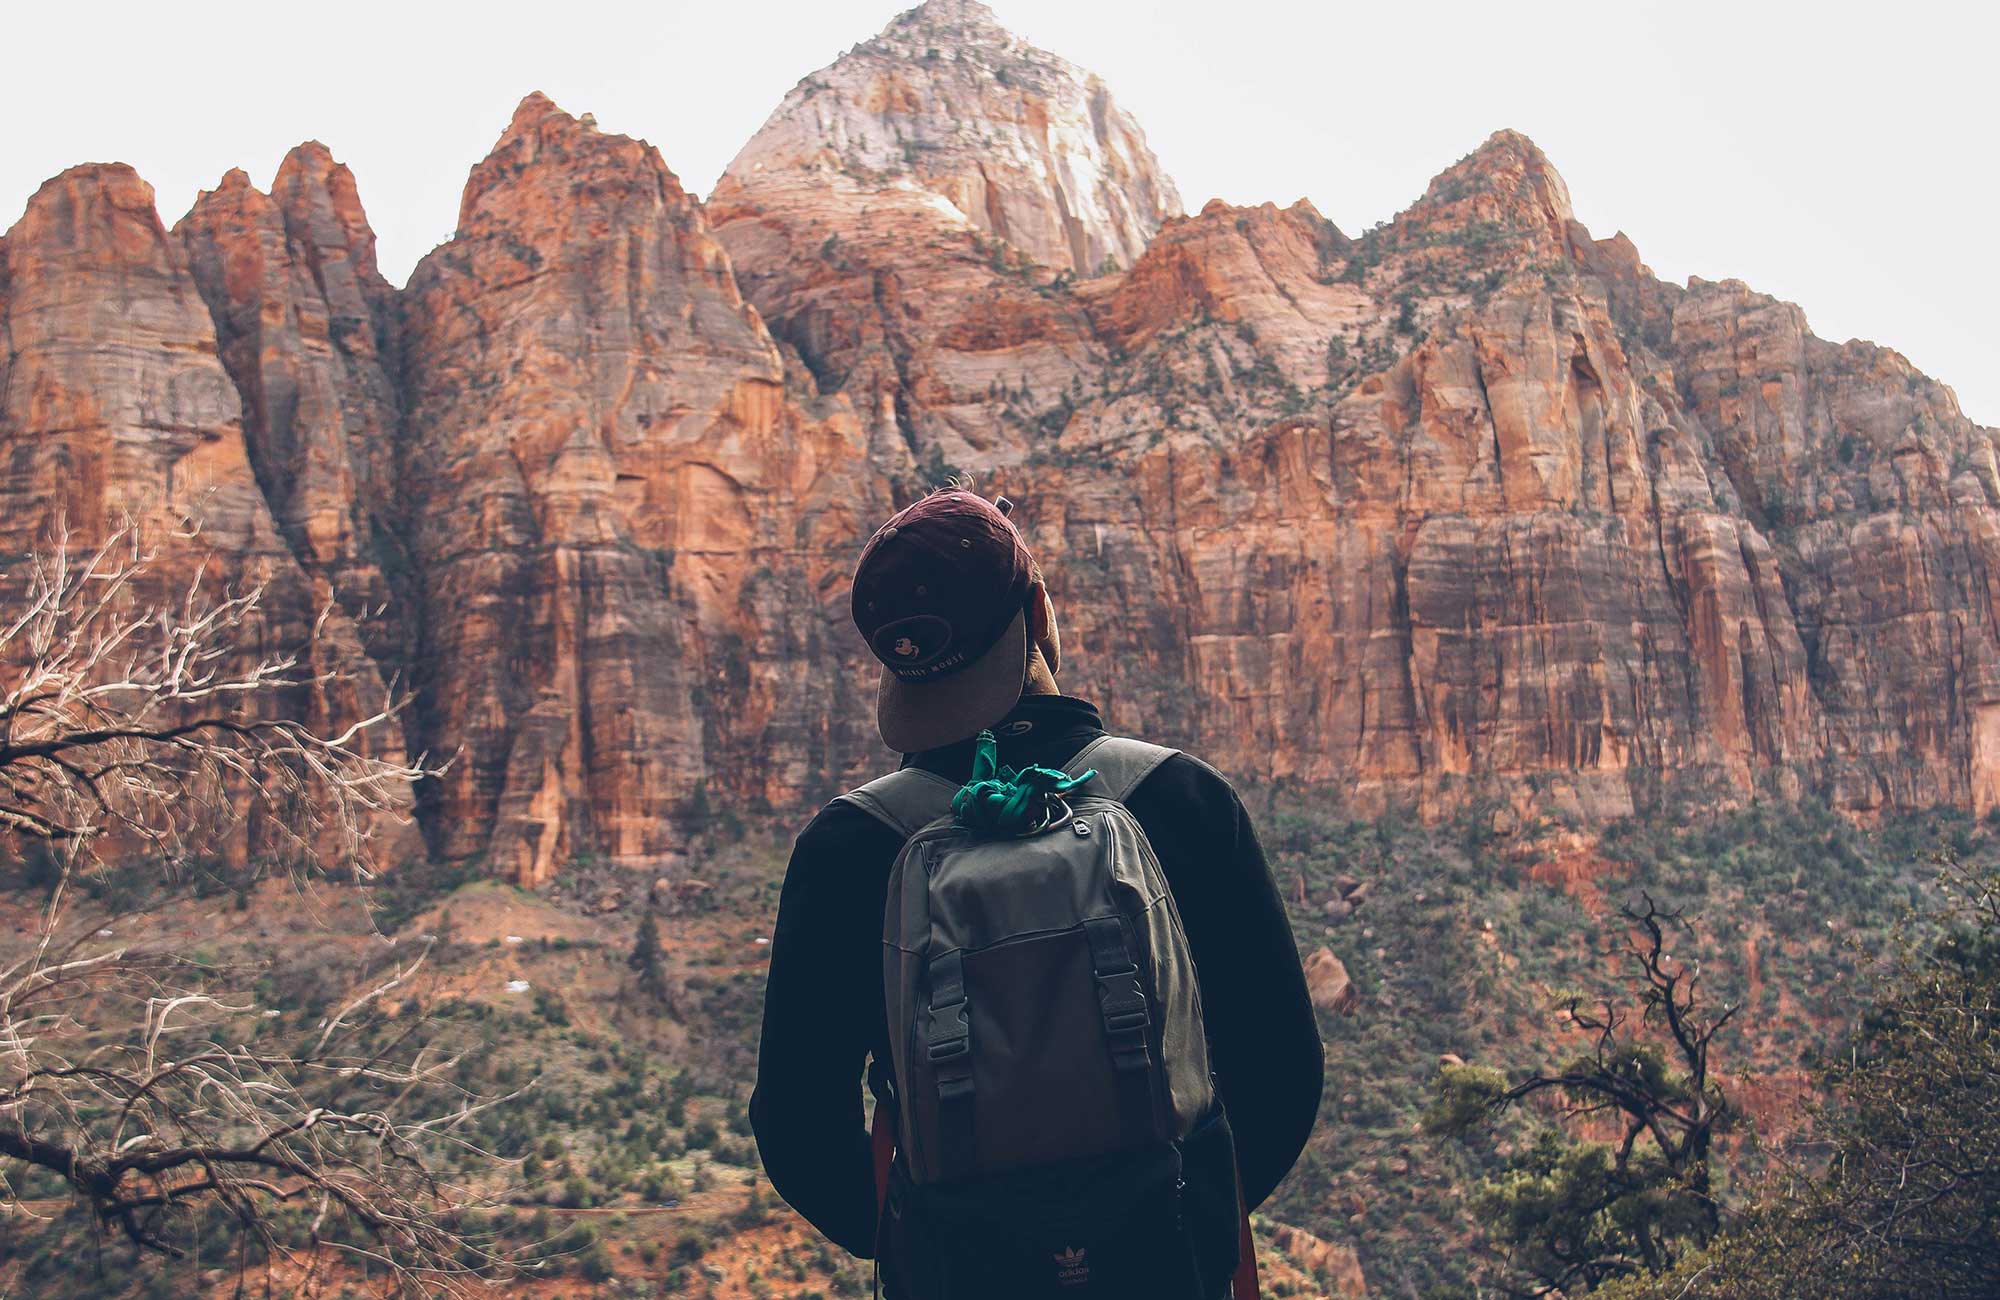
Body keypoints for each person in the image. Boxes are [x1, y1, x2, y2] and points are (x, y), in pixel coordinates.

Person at [751, 488, 1322, 1297]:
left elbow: (795, 1123)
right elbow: (1282, 1070)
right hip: (1169, 1261)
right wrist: (1178, 1221)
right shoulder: (1183, 800)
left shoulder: (847, 849)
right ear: (1040, 612)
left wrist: (916, 1233)